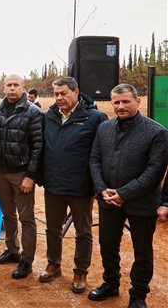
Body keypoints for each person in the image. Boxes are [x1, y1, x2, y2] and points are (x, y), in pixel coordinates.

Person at [88, 84, 168, 308]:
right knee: (107, 245)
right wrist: (102, 188)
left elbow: (155, 171)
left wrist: (124, 193)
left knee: (142, 251)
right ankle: (111, 283)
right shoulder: (104, 128)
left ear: (138, 101)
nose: (120, 106)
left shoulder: (157, 132)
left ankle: (138, 294)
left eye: (125, 101)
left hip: (142, 202)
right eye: (116, 102)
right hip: (108, 200)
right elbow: (94, 160)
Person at [38, 77, 107, 293]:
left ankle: (81, 271)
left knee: (83, 232)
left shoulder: (95, 117)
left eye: (63, 93)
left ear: (76, 92)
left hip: (81, 187)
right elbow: (41, 148)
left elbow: (101, 154)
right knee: (52, 228)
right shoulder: (47, 117)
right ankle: (54, 264)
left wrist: (97, 184)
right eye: (56, 94)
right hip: (53, 185)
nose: (59, 98)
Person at [0, 74, 43, 279]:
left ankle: (26, 260)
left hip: (22, 173)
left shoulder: (33, 112)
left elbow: (38, 146)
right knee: (8, 215)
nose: (12, 88)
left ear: (24, 87)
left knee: (26, 218)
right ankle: (12, 250)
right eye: (8, 85)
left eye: (16, 85)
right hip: (1, 173)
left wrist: (30, 175)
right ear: (3, 88)